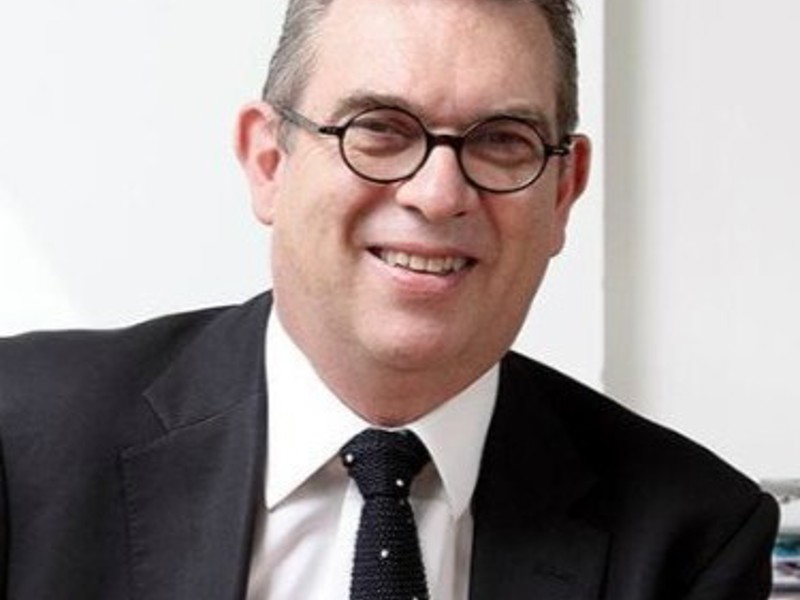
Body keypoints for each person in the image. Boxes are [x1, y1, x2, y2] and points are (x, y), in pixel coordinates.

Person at [0, 0, 779, 598]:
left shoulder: (692, 537)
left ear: (564, 193)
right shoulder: (19, 437)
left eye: (501, 139)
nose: (439, 195)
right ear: (270, 161)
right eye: (379, 129)